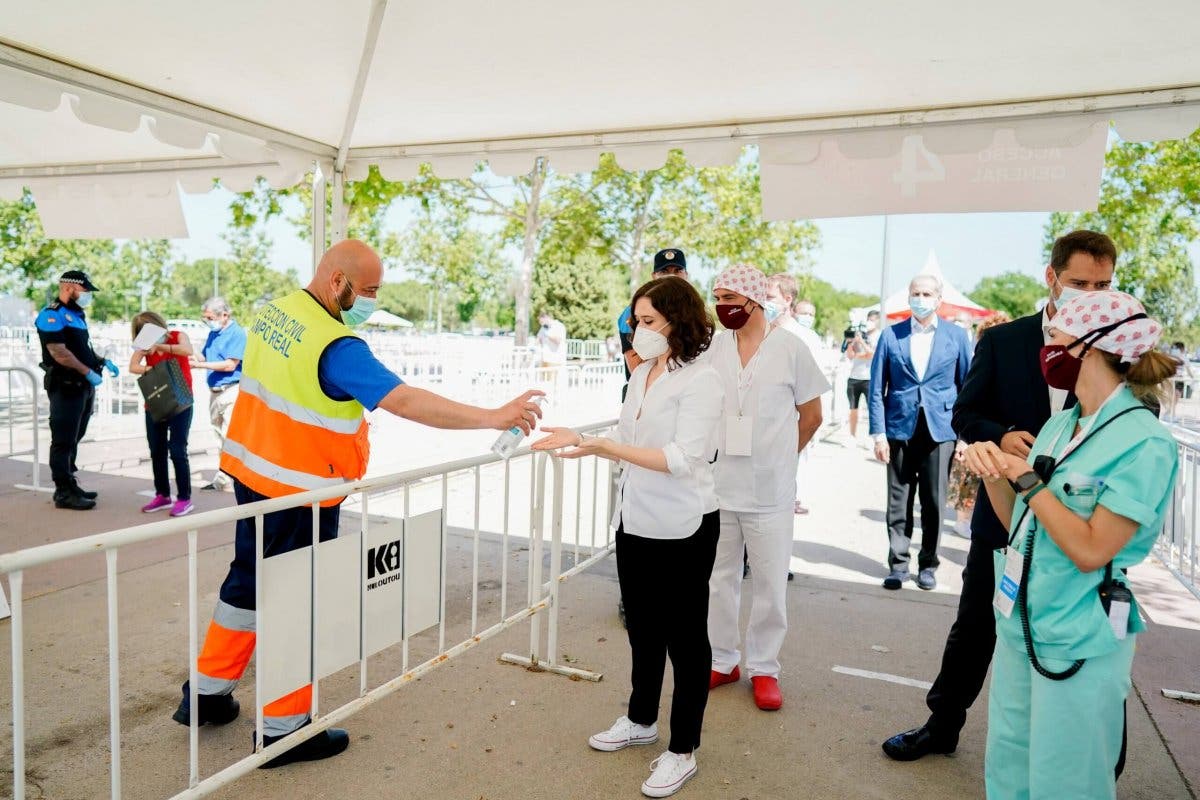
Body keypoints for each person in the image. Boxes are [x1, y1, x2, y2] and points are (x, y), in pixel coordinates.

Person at [172, 240, 543, 769]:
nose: (370, 300)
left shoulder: (276, 313)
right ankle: (283, 732)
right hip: (300, 492)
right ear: (336, 281)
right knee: (299, 604)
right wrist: (492, 416)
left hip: (251, 475)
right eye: (367, 290)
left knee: (246, 582)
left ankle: (205, 696)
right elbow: (407, 400)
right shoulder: (338, 346)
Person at [882, 229, 1117, 763]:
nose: (1091, 293)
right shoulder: (1005, 341)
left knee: (1079, 639)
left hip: (1083, 525)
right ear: (1052, 278)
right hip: (1007, 513)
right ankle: (941, 726)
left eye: (1102, 284)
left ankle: (1087, 752)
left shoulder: (1115, 349)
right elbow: (964, 414)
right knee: (977, 625)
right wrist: (1002, 433)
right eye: (1080, 282)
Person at [963, 290, 1177, 799]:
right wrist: (994, 471)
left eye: (1056, 338)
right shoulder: (1062, 424)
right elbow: (1019, 520)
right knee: (1010, 766)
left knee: (1067, 780)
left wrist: (1030, 482)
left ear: (1090, 346)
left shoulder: (1144, 442)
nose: (1047, 348)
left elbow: (1090, 550)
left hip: (1079, 632)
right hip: (1021, 623)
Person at [534, 276, 722, 798]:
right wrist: (582, 437)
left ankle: (682, 750)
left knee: (686, 641)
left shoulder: (701, 381)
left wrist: (604, 449)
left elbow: (682, 459)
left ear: (676, 323)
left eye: (646, 322)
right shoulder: (641, 376)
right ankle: (641, 721)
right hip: (635, 520)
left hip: (685, 525)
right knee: (642, 629)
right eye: (635, 321)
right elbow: (628, 435)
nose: (635, 332)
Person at [704, 266, 827, 711]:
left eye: (730, 297)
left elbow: (811, 416)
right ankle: (722, 658)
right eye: (717, 297)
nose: (722, 307)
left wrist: (781, 458)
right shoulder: (713, 347)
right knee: (719, 579)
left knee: (770, 584)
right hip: (719, 488)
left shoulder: (791, 349)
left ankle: (765, 667)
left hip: (771, 491)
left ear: (755, 300)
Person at [869, 273, 972, 591]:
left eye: (927, 294)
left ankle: (928, 564)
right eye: (916, 293)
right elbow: (876, 389)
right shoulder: (891, 336)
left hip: (940, 431)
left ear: (939, 299)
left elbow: (967, 387)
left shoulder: (957, 336)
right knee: (898, 501)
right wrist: (878, 434)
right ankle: (898, 565)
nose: (921, 298)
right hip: (900, 428)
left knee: (933, 502)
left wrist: (965, 436)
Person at [34, 270, 119, 510]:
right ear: (69, 288)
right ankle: (63, 492)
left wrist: (100, 361)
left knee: (75, 437)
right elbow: (59, 352)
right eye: (85, 291)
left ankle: (70, 483)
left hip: (83, 387)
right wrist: (86, 371)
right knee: (63, 440)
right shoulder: (51, 315)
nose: (87, 296)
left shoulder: (76, 315)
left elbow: (82, 349)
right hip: (65, 386)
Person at [945, 312, 1012, 536]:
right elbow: (966, 407)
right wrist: (963, 441)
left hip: (997, 442)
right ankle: (963, 519)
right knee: (970, 481)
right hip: (977, 439)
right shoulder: (981, 362)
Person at [128, 311, 195, 517]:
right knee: (156, 450)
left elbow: (188, 351)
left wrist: (161, 347)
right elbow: (133, 366)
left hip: (181, 402)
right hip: (156, 404)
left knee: (177, 450)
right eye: (142, 333)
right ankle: (163, 494)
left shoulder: (177, 336)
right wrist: (151, 370)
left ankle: (184, 498)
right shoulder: (144, 346)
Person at [189, 297, 245, 491]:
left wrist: (200, 365)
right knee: (219, 437)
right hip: (214, 391)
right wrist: (191, 351)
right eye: (205, 318)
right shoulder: (214, 334)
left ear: (224, 315)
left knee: (230, 437)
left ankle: (234, 478)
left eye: (210, 318)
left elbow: (230, 364)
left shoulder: (237, 334)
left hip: (231, 390)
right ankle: (223, 478)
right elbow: (205, 356)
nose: (208, 321)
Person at [618, 248, 689, 380]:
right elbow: (637, 369)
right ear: (654, 276)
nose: (671, 276)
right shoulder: (633, 312)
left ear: (686, 275)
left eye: (677, 271)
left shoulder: (692, 313)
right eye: (664, 271)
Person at [843, 310, 881, 441]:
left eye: (873, 320)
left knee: (872, 410)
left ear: (877, 321)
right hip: (854, 378)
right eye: (869, 319)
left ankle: (873, 438)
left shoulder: (878, 336)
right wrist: (850, 342)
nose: (870, 322)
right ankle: (852, 436)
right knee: (853, 409)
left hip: (869, 379)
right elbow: (850, 355)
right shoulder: (857, 334)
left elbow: (872, 354)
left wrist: (862, 343)